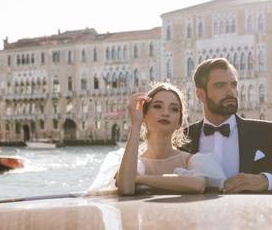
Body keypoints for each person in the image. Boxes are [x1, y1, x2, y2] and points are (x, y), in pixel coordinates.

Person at [183, 58, 272, 193]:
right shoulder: (184, 138)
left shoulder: (265, 133)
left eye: (233, 84)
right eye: (220, 85)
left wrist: (265, 180)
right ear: (201, 94)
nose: (230, 92)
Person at [88, 82, 225, 196]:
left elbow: (198, 185)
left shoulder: (191, 160)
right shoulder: (134, 162)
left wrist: (140, 179)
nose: (165, 113)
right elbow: (126, 188)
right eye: (157, 106)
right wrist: (136, 123)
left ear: (179, 122)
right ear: (144, 115)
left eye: (174, 109)